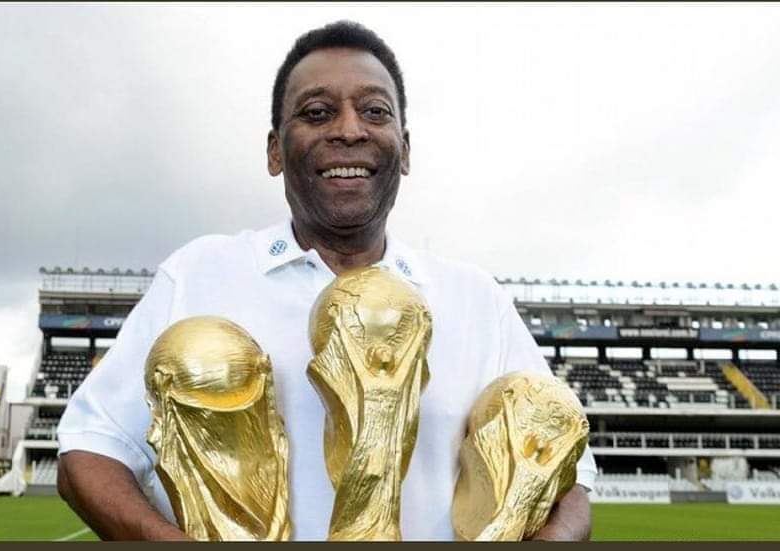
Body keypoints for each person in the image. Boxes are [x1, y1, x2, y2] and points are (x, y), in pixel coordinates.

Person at [56, 20, 597, 541]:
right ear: (275, 150)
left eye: (375, 111)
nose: (349, 129)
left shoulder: (475, 298)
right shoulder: (199, 273)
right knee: (200, 348)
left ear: (405, 149)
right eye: (317, 112)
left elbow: (569, 477)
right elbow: (90, 450)